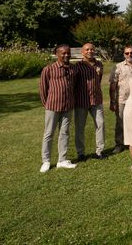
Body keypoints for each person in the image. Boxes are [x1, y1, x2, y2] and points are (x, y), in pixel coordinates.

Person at [39, 44, 78, 172]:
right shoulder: (49, 69)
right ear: (57, 54)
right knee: (49, 134)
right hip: (53, 106)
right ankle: (46, 161)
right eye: (63, 53)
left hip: (68, 106)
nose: (66, 55)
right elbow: (43, 89)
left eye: (68, 53)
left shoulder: (73, 69)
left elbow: (75, 86)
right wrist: (47, 103)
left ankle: (62, 160)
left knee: (64, 133)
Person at [73, 43, 105, 161]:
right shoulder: (77, 66)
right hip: (81, 100)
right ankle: (80, 153)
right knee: (80, 128)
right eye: (87, 50)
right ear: (82, 52)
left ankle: (100, 151)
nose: (90, 51)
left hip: (96, 100)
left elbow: (99, 80)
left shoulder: (99, 64)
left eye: (92, 49)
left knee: (100, 125)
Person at [109, 46, 132, 153]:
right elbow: (113, 86)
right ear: (124, 54)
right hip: (122, 99)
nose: (129, 55)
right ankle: (119, 144)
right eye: (127, 53)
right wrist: (112, 101)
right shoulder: (118, 66)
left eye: (131, 53)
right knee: (120, 122)